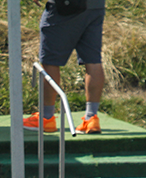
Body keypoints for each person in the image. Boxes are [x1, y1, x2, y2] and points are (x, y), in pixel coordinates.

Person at [22, 0, 105, 134]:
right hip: (96, 6)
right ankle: (91, 118)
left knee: (50, 61)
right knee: (93, 61)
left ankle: (46, 117)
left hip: (65, 6)